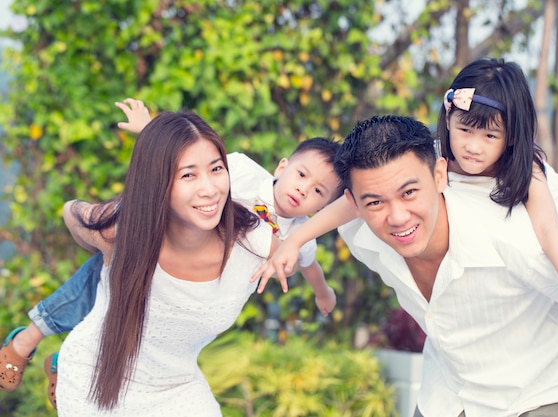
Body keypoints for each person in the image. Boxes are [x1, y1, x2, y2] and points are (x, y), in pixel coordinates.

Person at [256, 59, 558, 416]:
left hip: (535, 389)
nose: (473, 146)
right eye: (464, 130)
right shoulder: (417, 165)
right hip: (448, 394)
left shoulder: (520, 207)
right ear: (448, 120)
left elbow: (557, 241)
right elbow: (354, 201)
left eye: (489, 135)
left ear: (510, 137)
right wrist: (295, 238)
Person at [0, 99, 341, 407]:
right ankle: (32, 336)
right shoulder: (243, 170)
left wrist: (322, 294)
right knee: (103, 270)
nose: (302, 189)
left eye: (317, 191)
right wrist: (150, 132)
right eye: (301, 175)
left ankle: (61, 356)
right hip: (158, 226)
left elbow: (310, 267)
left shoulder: (296, 236)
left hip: (174, 360)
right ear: (282, 167)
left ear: (323, 206)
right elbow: (185, 159)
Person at [58, 110, 282, 415]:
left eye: (216, 169)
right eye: (188, 175)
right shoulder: (121, 231)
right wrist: (100, 246)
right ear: (157, 184)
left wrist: (300, 254)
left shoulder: (255, 243)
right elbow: (72, 211)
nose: (210, 189)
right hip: (97, 378)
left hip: (180, 388)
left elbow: (313, 223)